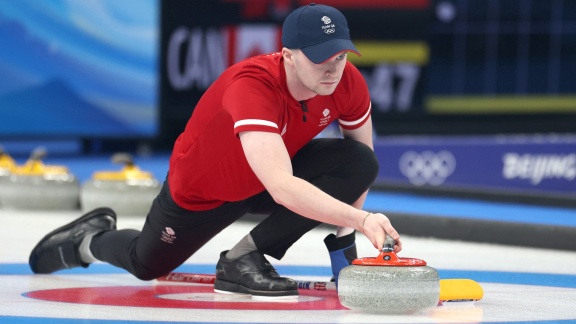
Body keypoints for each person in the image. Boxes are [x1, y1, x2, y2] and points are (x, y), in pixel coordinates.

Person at [29, 3, 401, 299]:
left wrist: (343, 247)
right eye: (321, 57)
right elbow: (282, 187)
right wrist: (363, 220)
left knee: (359, 162)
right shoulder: (252, 87)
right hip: (202, 193)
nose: (333, 68)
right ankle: (88, 241)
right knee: (147, 265)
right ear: (288, 55)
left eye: (340, 56)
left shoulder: (347, 82)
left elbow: (358, 170)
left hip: (265, 179)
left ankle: (244, 257)